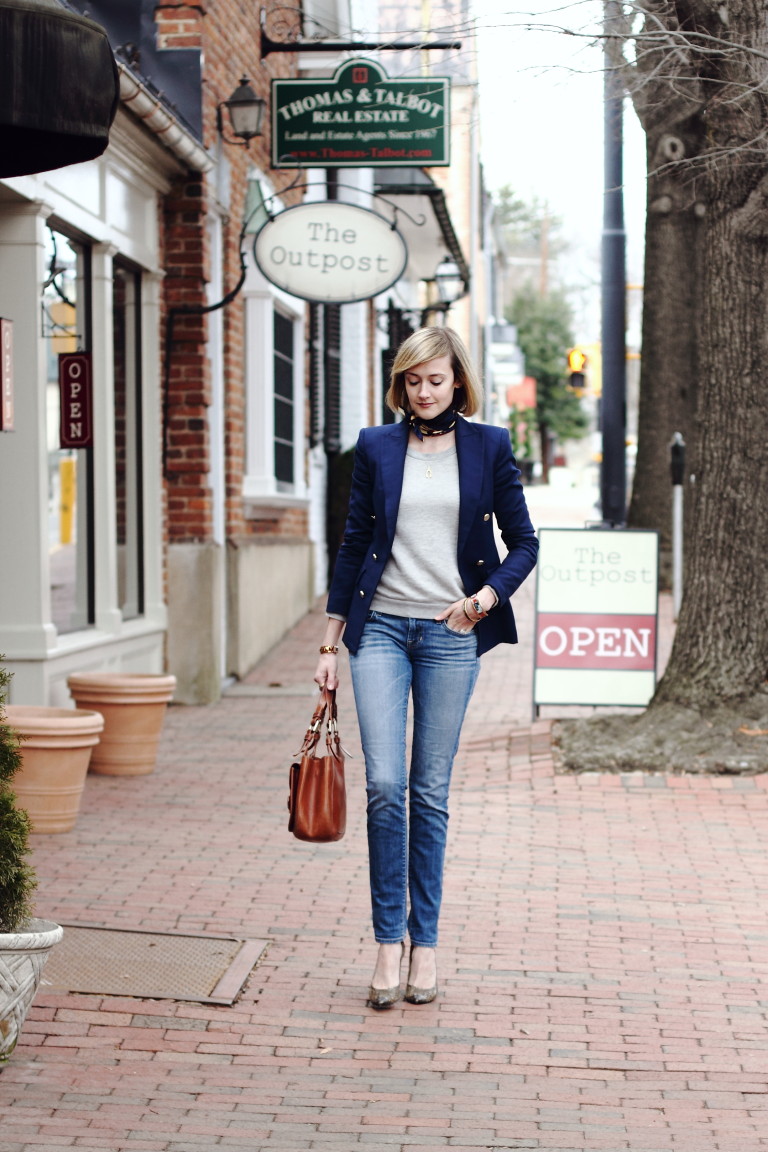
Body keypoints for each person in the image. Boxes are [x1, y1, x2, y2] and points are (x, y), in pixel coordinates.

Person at [314, 326, 538, 1009]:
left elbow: (524, 543)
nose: (425, 391)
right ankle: (388, 943)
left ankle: (426, 944)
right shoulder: (377, 447)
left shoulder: (489, 445)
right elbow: (353, 544)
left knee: (428, 792)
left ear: (457, 382)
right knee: (385, 784)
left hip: (449, 635)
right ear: (401, 385)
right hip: (378, 629)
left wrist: (485, 597)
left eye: (435, 379)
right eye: (413, 380)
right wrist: (329, 646)